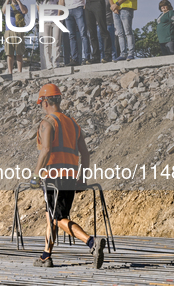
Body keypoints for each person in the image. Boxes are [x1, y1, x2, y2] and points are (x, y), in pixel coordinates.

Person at [30, 83, 106, 269]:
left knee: (58, 218)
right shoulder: (73, 123)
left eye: (41, 102)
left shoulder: (48, 123)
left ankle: (91, 242)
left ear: (46, 101)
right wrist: (83, 179)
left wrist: (36, 176)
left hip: (53, 177)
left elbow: (46, 150)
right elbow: (85, 154)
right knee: (52, 216)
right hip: (70, 177)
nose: (41, 106)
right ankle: (46, 256)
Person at [59, 0, 88, 66]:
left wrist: (84, 1)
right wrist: (59, 14)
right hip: (68, 10)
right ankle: (75, 59)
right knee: (72, 36)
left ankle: (87, 57)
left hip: (79, 7)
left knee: (83, 33)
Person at [35, 0, 62, 69]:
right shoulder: (38, 1)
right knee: (47, 43)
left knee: (56, 41)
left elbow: (60, 6)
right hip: (45, 22)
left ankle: (55, 62)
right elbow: (39, 12)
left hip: (55, 21)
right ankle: (48, 64)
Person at [2, 0, 28, 74]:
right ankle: (10, 72)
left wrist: (18, 0)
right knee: (9, 53)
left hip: (19, 31)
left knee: (19, 53)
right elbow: (4, 11)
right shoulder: (8, 5)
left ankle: (19, 71)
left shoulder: (22, 5)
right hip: (9, 30)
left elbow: (24, 11)